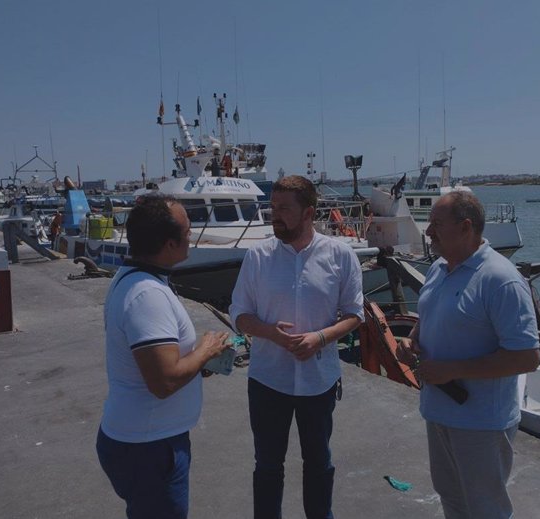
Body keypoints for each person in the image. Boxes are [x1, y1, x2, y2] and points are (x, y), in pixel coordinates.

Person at [229, 175, 364, 519]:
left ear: (308, 212)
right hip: (267, 381)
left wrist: (320, 338)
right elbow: (239, 315)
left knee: (319, 462)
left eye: (284, 208)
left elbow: (355, 315)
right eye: (273, 207)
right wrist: (271, 333)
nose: (275, 215)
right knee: (268, 466)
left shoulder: (340, 255)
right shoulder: (258, 256)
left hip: (319, 380)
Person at [399, 191, 539, 519]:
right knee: (452, 499)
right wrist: (411, 340)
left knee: (486, 509)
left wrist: (451, 370)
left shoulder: (500, 280)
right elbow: (431, 316)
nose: (428, 231)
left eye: (436, 224)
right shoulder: (438, 268)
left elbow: (526, 357)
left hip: (481, 423)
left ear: (465, 228)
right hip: (439, 412)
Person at [96, 194, 230, 519]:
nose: (192, 237)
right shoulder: (147, 296)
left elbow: (159, 365)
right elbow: (164, 381)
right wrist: (205, 351)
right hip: (150, 447)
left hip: (145, 441)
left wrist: (198, 364)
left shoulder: (136, 280)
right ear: (169, 244)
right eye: (187, 232)